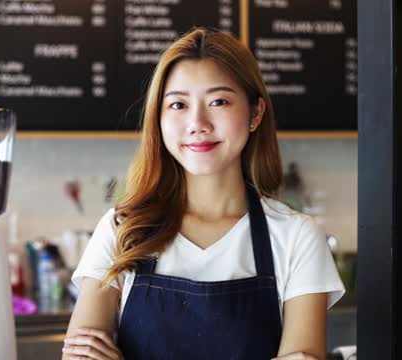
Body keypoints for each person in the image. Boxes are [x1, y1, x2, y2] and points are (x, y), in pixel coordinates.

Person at [62, 27, 345, 360]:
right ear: (159, 117)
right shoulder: (122, 229)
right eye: (178, 104)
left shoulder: (297, 238)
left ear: (255, 113)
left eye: (218, 101)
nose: (197, 122)